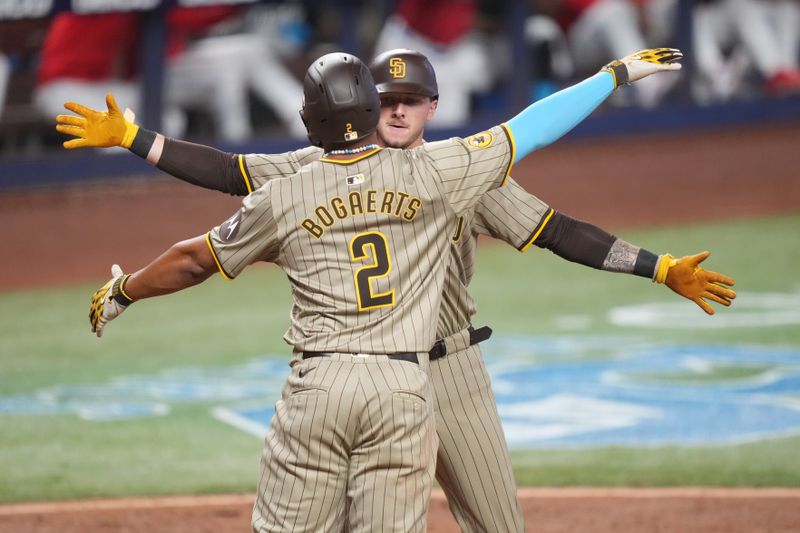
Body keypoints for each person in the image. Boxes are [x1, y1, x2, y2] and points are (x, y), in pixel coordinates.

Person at [57, 48, 737, 532]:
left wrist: (654, 265)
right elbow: (230, 169)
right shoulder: (444, 169)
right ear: (367, 108)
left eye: (412, 101)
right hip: (397, 384)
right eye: (388, 101)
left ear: (432, 106)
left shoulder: (440, 172)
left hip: (443, 368)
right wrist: (611, 77)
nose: (401, 111)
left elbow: (560, 231)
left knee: (498, 524)